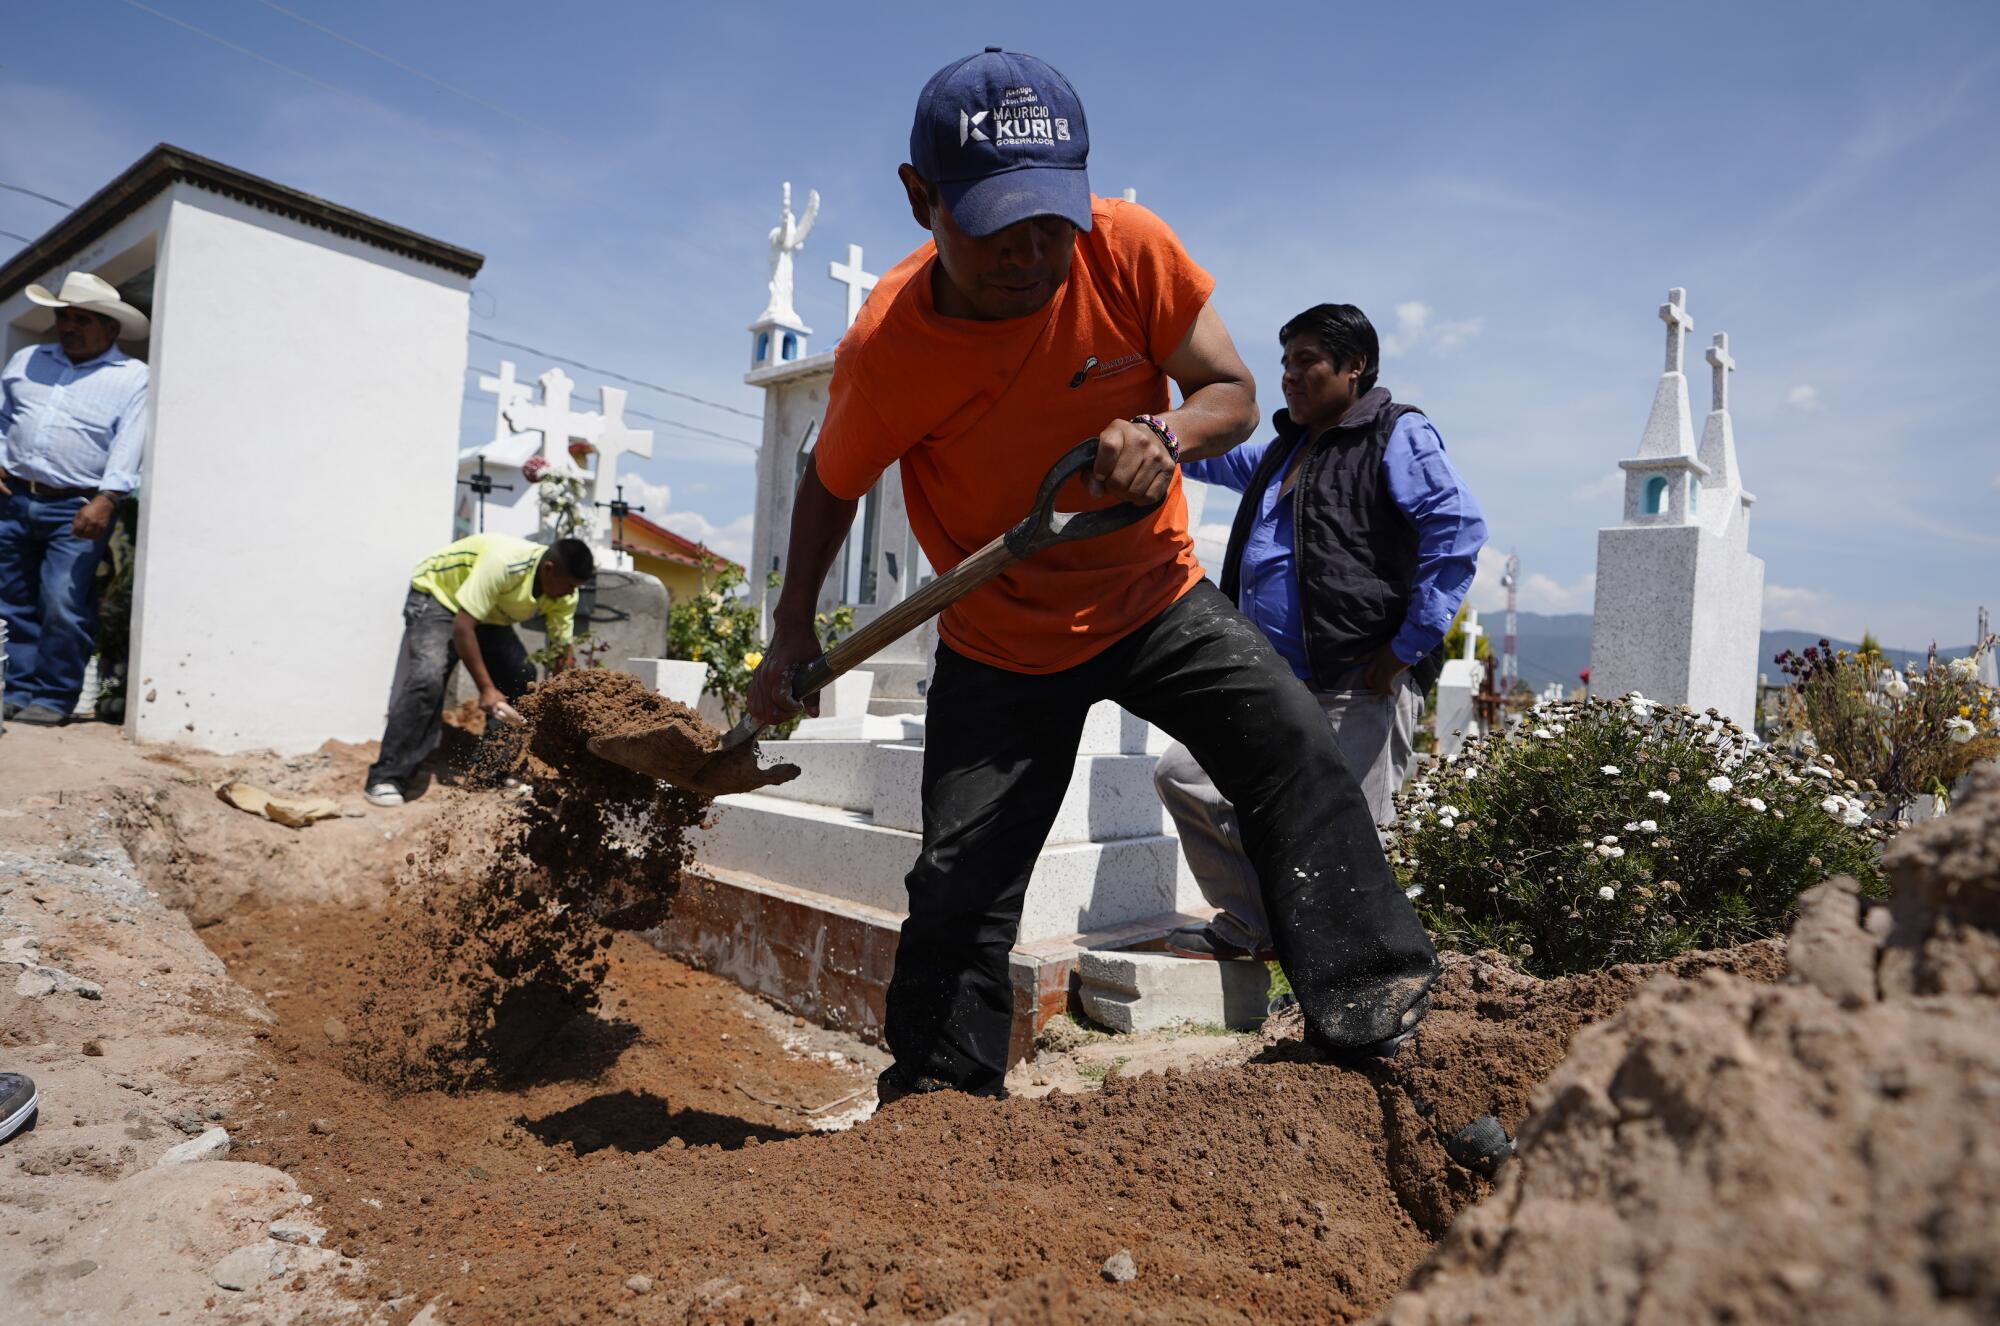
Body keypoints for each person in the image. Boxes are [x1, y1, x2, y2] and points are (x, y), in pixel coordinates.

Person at [748, 48, 1439, 1101]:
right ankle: (939, 1103)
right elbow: (831, 481)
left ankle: (1369, 1011)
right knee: (960, 880)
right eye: (994, 224)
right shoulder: (889, 348)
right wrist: (791, 628)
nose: (1030, 251)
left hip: (1151, 595)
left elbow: (1232, 393)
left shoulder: (1127, 250)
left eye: (1048, 217)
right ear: (920, 198)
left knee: (1294, 752)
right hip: (997, 635)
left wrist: (1165, 430)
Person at [1156, 304, 1487, 961]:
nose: (1289, 376)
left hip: (1355, 680)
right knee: (1187, 775)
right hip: (1272, 679)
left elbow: (1455, 534)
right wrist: (1157, 433)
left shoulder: (1395, 434)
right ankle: (1257, 923)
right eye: (1284, 363)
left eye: (1306, 361)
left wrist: (1403, 651)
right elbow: (1218, 462)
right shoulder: (1287, 450)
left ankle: (1359, 996)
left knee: (1348, 838)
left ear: (1353, 367)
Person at [0, 271, 150, 726]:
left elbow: (131, 442)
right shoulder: (28, 359)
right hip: (14, 497)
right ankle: (18, 690)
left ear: (111, 329)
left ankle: (53, 696)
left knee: (63, 599)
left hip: (78, 505)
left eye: (83, 319)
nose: (70, 326)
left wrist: (107, 499)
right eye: (65, 317)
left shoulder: (132, 376)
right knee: (14, 600)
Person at [363, 533, 592, 806]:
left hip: (487, 614)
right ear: (549, 570)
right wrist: (487, 689)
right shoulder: (504, 563)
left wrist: (565, 698)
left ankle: (491, 772)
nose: (571, 593)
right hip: (440, 597)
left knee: (522, 677)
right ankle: (387, 777)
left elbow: (560, 651)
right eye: (568, 585)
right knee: (429, 677)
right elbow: (462, 628)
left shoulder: (565, 594)